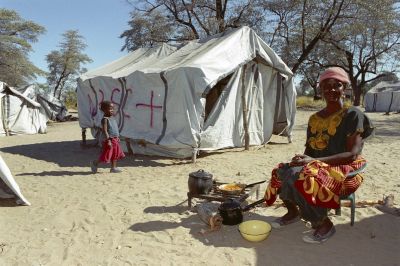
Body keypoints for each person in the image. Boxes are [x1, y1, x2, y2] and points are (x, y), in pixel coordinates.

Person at [264, 67, 375, 244]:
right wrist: (302, 159)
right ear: (320, 90)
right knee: (282, 172)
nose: (331, 90)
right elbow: (310, 151)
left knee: (304, 177)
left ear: (344, 88)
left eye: (336, 85)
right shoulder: (315, 118)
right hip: (318, 164)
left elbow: (352, 155)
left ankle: (323, 223)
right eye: (326, 86)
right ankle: (293, 212)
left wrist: (313, 161)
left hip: (345, 168)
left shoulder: (353, 114)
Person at [90, 101, 125, 173]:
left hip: (115, 139)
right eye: (110, 109)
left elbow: (114, 128)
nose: (112, 110)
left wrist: (117, 137)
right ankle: (95, 163)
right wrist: (108, 140)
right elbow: (105, 131)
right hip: (109, 140)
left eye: (113, 108)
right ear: (104, 110)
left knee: (115, 154)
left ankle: (113, 168)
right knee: (107, 154)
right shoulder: (105, 119)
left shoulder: (112, 118)